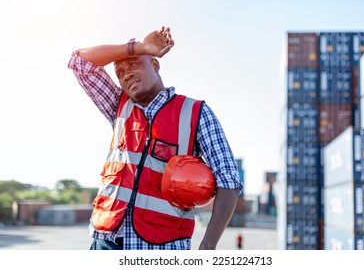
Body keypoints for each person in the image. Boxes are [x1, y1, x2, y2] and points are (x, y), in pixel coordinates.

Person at [68, 26, 243, 250]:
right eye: (119, 73)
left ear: (155, 64)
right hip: (106, 241)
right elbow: (80, 62)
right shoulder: (118, 106)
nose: (126, 74)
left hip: (162, 245)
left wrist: (207, 246)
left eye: (133, 64)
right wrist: (138, 48)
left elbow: (228, 179)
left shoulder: (196, 113)